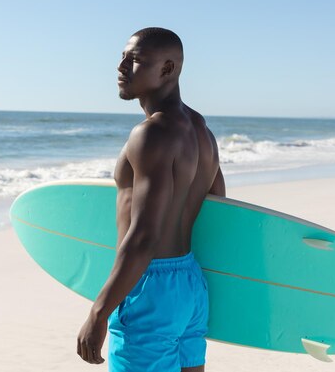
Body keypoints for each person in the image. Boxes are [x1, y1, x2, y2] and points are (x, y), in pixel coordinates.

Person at [77, 27, 225, 372]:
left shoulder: (152, 134)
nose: (121, 66)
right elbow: (217, 204)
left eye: (136, 60)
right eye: (123, 57)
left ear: (168, 69)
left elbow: (143, 237)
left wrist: (98, 312)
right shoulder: (201, 130)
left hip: (148, 287)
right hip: (190, 282)